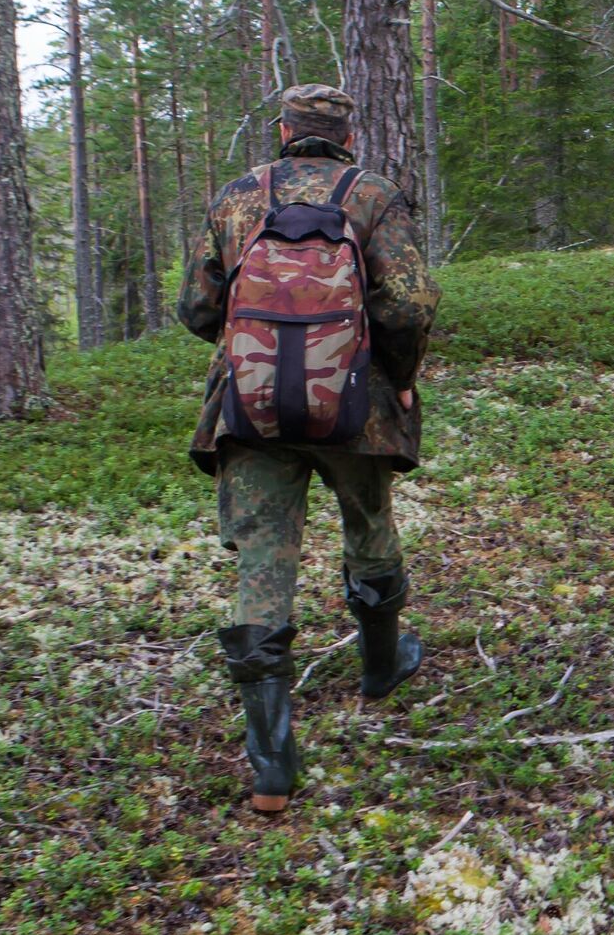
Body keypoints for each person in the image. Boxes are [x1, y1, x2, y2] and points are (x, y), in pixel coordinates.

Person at [176, 83, 441, 812]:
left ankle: (271, 767)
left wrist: (255, 348)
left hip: (252, 410)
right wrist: (402, 377)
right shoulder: (373, 195)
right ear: (347, 138)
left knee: (263, 559)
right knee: (369, 525)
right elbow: (411, 303)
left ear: (285, 130)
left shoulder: (237, 197)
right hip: (355, 407)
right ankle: (382, 667)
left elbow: (197, 308)